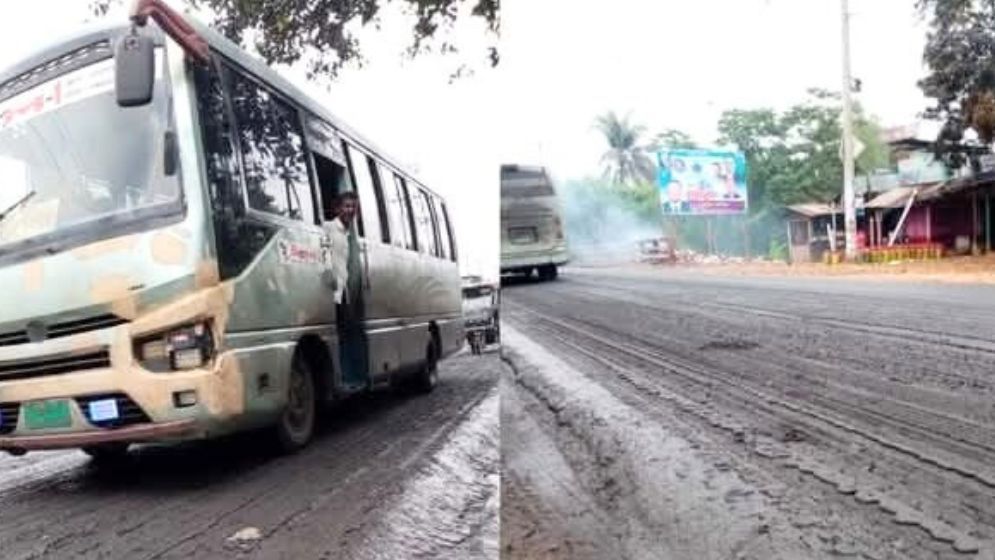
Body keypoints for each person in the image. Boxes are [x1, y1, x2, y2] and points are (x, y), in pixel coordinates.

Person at [326, 191, 367, 388]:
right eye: (347, 206)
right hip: (333, 291)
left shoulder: (348, 233)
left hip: (345, 292)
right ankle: (344, 378)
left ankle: (351, 378)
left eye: (353, 207)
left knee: (350, 332)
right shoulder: (329, 228)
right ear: (337, 208)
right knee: (342, 334)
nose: (350, 210)